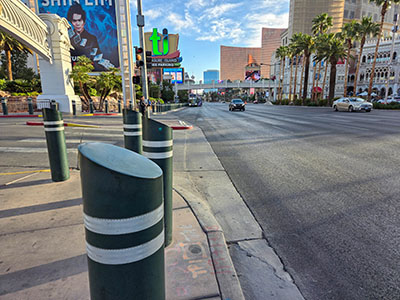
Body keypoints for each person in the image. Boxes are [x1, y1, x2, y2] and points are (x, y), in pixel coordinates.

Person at [67, 2, 114, 71]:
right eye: (74, 21)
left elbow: (98, 57)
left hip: (89, 71)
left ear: (84, 21)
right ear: (71, 22)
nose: (77, 23)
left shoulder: (92, 38)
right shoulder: (67, 37)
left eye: (79, 20)